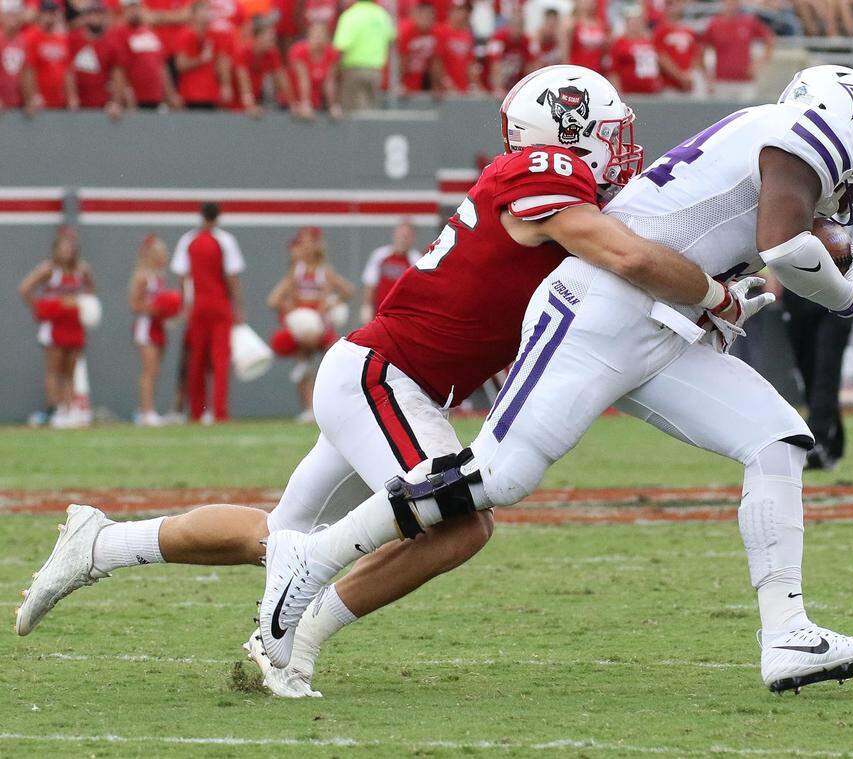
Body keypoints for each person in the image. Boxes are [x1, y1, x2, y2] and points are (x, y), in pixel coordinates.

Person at [17, 66, 751, 700]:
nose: (623, 146)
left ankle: (100, 544)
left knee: (279, 535)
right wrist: (712, 297)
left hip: (383, 375)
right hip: (386, 377)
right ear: (565, 130)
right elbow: (626, 255)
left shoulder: (552, 189)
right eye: (608, 129)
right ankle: (297, 640)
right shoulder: (544, 173)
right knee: (459, 522)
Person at [256, 65, 853, 695]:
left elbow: (755, 236)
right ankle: (313, 560)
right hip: (599, 308)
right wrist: (848, 297)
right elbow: (787, 252)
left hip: (655, 323)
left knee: (776, 436)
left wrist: (771, 277)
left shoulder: (772, 147)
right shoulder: (792, 132)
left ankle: (786, 631)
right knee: (501, 475)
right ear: (843, 121)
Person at [776, 214, 853, 470]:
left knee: (827, 367)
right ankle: (833, 441)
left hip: (842, 288)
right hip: (800, 288)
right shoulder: (800, 192)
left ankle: (817, 442)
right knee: (808, 369)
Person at [267, 227, 354, 422]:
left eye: (309, 242)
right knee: (303, 359)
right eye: (302, 242)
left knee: (333, 365)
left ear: (317, 245)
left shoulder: (325, 272)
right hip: (304, 329)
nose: (305, 247)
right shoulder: (296, 271)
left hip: (321, 327)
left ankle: (333, 407)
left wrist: (333, 301)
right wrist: (289, 308)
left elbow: (348, 291)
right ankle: (308, 409)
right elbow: (273, 299)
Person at [171, 202, 245, 423]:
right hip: (220, 304)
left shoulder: (188, 240)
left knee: (197, 360)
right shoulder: (225, 241)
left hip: (198, 306)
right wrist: (238, 307)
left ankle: (197, 411)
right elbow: (231, 277)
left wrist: (185, 304)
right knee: (220, 359)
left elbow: (182, 276)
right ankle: (219, 412)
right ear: (218, 217)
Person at [19, 227, 96, 429]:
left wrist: (85, 306)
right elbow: (25, 288)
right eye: (64, 247)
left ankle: (69, 409)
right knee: (55, 369)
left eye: (71, 246)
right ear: (56, 249)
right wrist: (42, 308)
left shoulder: (82, 270)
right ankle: (55, 408)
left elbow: (91, 291)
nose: (68, 250)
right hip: (55, 325)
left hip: (74, 324)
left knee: (71, 369)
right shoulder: (49, 269)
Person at [129, 235, 179, 427]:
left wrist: (170, 313)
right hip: (145, 326)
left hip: (158, 326)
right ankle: (146, 412)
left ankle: (148, 409)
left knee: (156, 371)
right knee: (148, 370)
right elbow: (134, 304)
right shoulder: (142, 276)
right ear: (150, 255)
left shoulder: (160, 277)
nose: (163, 257)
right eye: (159, 253)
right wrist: (156, 309)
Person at [108, 0, 181, 110]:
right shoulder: (119, 34)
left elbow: (162, 66)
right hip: (134, 100)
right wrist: (118, 100)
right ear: (124, 10)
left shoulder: (151, 33)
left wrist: (171, 94)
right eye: (130, 8)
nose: (134, 11)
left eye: (136, 7)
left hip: (156, 97)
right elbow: (119, 69)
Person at [702, 0, 774, 102]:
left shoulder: (749, 22)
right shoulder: (714, 24)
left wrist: (758, 63)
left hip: (745, 81)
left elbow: (770, 39)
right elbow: (702, 51)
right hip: (722, 81)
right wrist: (707, 77)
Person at [332, 0, 395, 111]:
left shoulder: (350, 15)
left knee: (351, 112)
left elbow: (341, 46)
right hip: (376, 71)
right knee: (371, 112)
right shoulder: (382, 14)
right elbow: (391, 40)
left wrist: (336, 71)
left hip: (353, 70)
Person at [173, 0, 231, 109]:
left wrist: (225, 85)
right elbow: (180, 65)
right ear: (194, 14)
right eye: (204, 9)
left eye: (209, 9)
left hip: (211, 93)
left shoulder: (213, 35)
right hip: (191, 94)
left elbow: (221, 60)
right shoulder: (185, 35)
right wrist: (201, 59)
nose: (208, 13)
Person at [20, 0, 74, 114]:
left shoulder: (63, 39)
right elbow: (28, 70)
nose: (50, 16)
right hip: (40, 101)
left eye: (53, 13)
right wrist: (31, 97)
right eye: (47, 13)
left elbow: (67, 71)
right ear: (40, 14)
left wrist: (71, 97)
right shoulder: (31, 37)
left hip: (59, 102)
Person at [67, 1, 120, 115]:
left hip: (102, 105)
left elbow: (116, 74)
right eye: (91, 13)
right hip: (78, 106)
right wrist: (72, 97)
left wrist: (115, 102)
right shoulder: (73, 40)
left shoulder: (111, 43)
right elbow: (68, 72)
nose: (95, 17)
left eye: (99, 13)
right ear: (84, 17)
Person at [360, 220, 420, 318]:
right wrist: (366, 305)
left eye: (407, 236)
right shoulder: (380, 255)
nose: (403, 239)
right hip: (379, 313)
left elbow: (418, 291)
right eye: (401, 234)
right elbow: (370, 282)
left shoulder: (416, 260)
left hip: (403, 315)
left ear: (413, 238)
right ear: (395, 234)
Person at [288, 20, 341, 117]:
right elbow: (303, 78)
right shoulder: (299, 51)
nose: (319, 39)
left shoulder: (332, 53)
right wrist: (305, 103)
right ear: (309, 36)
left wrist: (332, 105)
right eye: (316, 35)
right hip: (295, 100)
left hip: (316, 101)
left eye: (322, 36)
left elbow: (329, 81)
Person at [653, 0, 701, 95]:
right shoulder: (661, 30)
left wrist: (689, 73)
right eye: (671, 4)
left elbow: (696, 55)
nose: (675, 7)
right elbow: (661, 57)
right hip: (669, 85)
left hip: (688, 84)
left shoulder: (688, 30)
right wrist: (680, 76)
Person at [608, 9, 660, 95]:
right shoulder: (619, 43)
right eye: (633, 23)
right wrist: (618, 93)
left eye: (638, 23)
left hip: (651, 91)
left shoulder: (650, 41)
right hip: (629, 92)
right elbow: (613, 70)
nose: (635, 26)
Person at [396, 1, 440, 96]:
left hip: (420, 82)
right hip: (405, 83)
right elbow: (401, 61)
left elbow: (434, 63)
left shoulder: (434, 34)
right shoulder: (407, 32)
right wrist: (399, 84)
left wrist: (436, 85)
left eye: (432, 16)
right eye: (426, 16)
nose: (429, 19)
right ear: (417, 15)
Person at [485, 6, 530, 97]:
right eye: (515, 26)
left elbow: (531, 65)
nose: (517, 30)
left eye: (520, 26)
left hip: (513, 86)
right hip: (493, 87)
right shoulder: (498, 39)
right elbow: (495, 65)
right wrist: (498, 88)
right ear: (509, 26)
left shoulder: (525, 40)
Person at [436, 0, 476, 94]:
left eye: (465, 10)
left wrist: (474, 85)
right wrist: (446, 84)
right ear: (450, 11)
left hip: (463, 89)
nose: (463, 14)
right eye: (458, 10)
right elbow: (437, 62)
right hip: (445, 91)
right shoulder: (440, 31)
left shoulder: (467, 34)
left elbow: (470, 64)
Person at [564, 0, 608, 75]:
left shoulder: (599, 23)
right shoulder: (572, 23)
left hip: (596, 70)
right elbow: (565, 47)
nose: (588, 4)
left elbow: (605, 49)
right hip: (576, 69)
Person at [0, 0, 26, 113]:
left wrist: (28, 99)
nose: (13, 18)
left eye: (15, 14)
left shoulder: (24, 40)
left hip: (17, 104)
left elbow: (27, 72)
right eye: (9, 14)